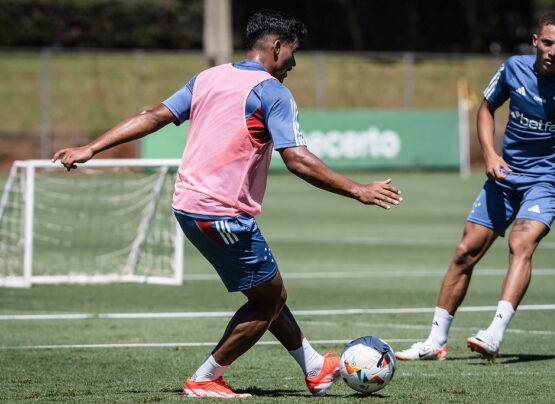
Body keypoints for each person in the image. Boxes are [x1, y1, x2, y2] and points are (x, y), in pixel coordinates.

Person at [52, 9, 402, 398]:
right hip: (221, 214)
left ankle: (315, 368)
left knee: (268, 293)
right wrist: (359, 190)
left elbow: (153, 114)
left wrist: (91, 147)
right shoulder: (273, 92)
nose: (294, 63)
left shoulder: (209, 77)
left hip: (188, 206)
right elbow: (298, 158)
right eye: (293, 53)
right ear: (276, 46)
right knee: (268, 300)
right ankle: (205, 378)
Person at [395, 10, 555, 362]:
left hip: (546, 181)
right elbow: (486, 108)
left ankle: (494, 334)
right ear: (535, 41)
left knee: (520, 243)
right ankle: (435, 342)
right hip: (504, 175)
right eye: (547, 42)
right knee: (465, 252)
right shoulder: (514, 68)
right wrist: (488, 153)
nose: (553, 50)